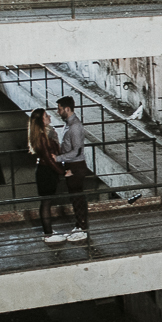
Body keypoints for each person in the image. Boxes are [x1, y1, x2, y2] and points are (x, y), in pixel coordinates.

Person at [27, 108, 66, 245]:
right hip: (46, 171)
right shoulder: (43, 136)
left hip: (46, 170)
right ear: (41, 120)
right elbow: (49, 159)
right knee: (46, 203)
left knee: (47, 202)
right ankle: (48, 234)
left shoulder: (44, 133)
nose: (49, 116)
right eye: (46, 115)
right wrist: (62, 172)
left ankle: (48, 231)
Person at [55, 95, 91, 242]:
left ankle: (83, 229)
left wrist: (57, 158)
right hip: (71, 164)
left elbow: (76, 151)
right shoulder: (69, 124)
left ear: (67, 109)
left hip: (76, 165)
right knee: (75, 197)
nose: (58, 112)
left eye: (59, 109)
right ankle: (79, 226)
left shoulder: (75, 126)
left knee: (77, 198)